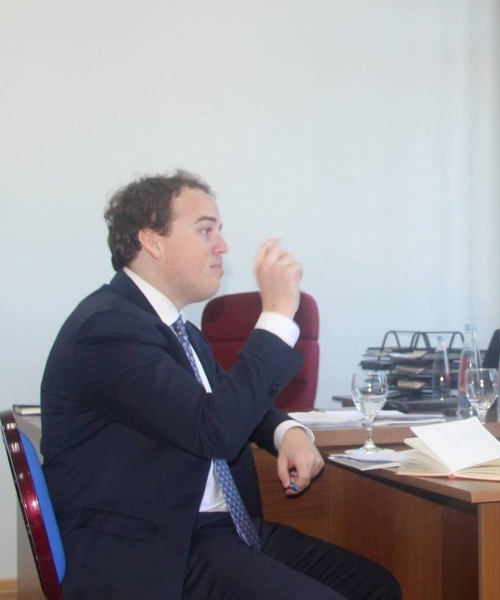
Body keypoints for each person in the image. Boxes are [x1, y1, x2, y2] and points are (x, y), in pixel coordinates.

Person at [40, 171, 400, 600]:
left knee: (376, 587)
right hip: (157, 551)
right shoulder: (108, 329)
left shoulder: (177, 331)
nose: (222, 246)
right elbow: (216, 428)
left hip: (217, 530)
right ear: (152, 241)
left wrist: (288, 432)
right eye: (205, 230)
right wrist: (278, 314)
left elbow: (229, 401)